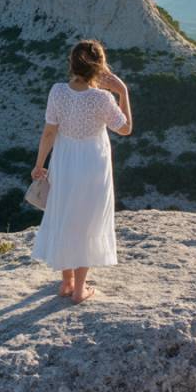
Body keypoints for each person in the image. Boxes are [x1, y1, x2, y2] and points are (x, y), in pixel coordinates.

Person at [30, 39, 133, 304]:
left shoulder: (57, 92)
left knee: (65, 214)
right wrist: (123, 92)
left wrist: (39, 164)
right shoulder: (103, 98)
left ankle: (66, 282)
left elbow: (49, 132)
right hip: (93, 163)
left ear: (71, 64)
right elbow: (125, 129)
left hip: (64, 162)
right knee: (89, 219)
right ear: (100, 67)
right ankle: (80, 289)